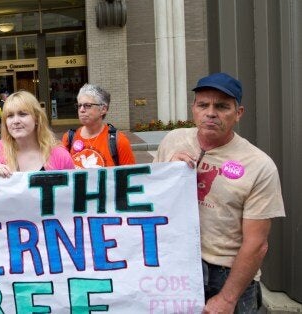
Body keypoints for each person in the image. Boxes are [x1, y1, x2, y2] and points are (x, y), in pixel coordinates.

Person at [154, 72, 285, 313]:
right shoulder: (173, 141)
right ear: (193, 108)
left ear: (239, 113)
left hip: (226, 274)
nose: (211, 112)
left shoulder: (258, 165)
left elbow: (257, 243)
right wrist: (168, 170)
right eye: (203, 105)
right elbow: (151, 200)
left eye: (222, 106)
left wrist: (227, 298)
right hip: (176, 263)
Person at [0, 91, 74, 177]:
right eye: (10, 116)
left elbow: (71, 193)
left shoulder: (60, 155)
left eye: (22, 114)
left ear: (37, 118)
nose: (15, 121)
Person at [61, 83, 135, 168]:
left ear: (103, 109)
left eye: (87, 105)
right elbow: (62, 173)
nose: (81, 110)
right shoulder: (69, 138)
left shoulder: (119, 141)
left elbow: (130, 178)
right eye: (79, 105)